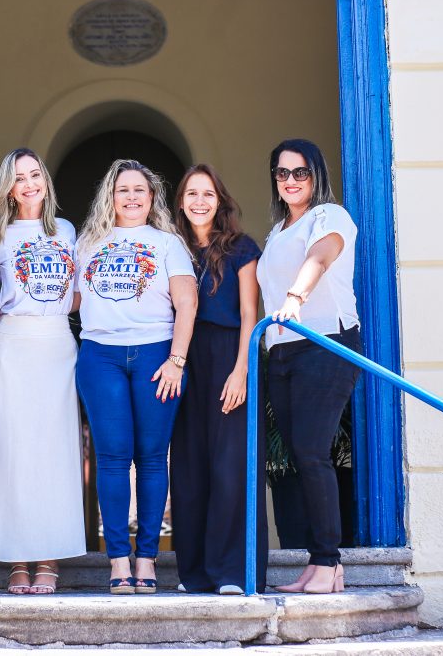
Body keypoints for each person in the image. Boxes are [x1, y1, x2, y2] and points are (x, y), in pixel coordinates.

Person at [74, 159, 197, 594]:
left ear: (151, 197)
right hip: (100, 356)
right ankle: (118, 561)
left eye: (139, 190)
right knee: (111, 457)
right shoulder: (87, 243)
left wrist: (177, 360)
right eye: (122, 190)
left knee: (151, 457)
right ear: (110, 197)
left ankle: (146, 558)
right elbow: (69, 299)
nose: (131, 197)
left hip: (156, 356)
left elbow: (187, 303)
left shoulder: (168, 243)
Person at [0, 148, 85, 594]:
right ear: (8, 189)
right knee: (11, 449)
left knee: (54, 450)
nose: (30, 183)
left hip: (57, 345)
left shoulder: (66, 231)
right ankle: (17, 559)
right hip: (11, 345)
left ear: (45, 181)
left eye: (35, 175)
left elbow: (79, 292)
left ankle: (49, 559)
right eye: (20, 178)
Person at [256, 139, 361, 594]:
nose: (291, 180)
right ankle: (316, 564)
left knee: (312, 451)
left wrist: (294, 299)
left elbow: (320, 257)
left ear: (315, 175)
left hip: (325, 342)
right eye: (282, 173)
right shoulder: (277, 232)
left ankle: (328, 564)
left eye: (300, 172)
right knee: (301, 456)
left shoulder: (328, 216)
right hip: (283, 353)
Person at [170, 164, 268, 595]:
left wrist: (242, 369)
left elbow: (250, 313)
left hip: (230, 354)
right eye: (192, 194)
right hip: (183, 359)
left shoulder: (241, 248)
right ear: (181, 202)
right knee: (189, 468)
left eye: (207, 194)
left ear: (220, 200)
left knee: (232, 467)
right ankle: (195, 575)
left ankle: (234, 572)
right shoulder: (171, 247)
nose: (199, 201)